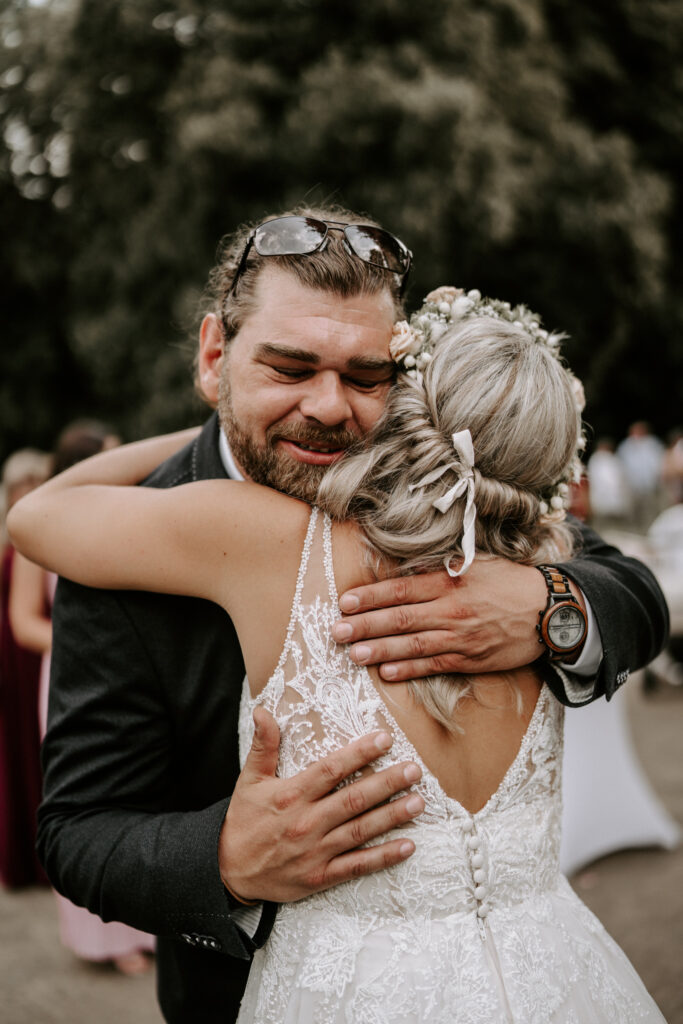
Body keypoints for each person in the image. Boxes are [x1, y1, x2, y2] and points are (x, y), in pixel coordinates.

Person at [24, 206, 668, 1023]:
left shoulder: (453, 505)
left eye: (366, 377)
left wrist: (550, 609)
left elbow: (632, 594)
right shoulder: (129, 536)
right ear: (214, 355)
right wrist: (222, 859)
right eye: (289, 369)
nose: (330, 408)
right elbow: (76, 832)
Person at [9, 422, 154, 974]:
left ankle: (147, 925)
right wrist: (90, 645)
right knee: (88, 798)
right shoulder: (38, 530)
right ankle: (103, 942)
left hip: (132, 674)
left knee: (141, 793)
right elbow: (24, 622)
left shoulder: (126, 520)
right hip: (69, 673)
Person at [0, 448, 51, 889]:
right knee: (16, 745)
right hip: (13, 655)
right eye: (24, 484)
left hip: (39, 656)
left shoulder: (39, 530)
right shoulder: (12, 537)